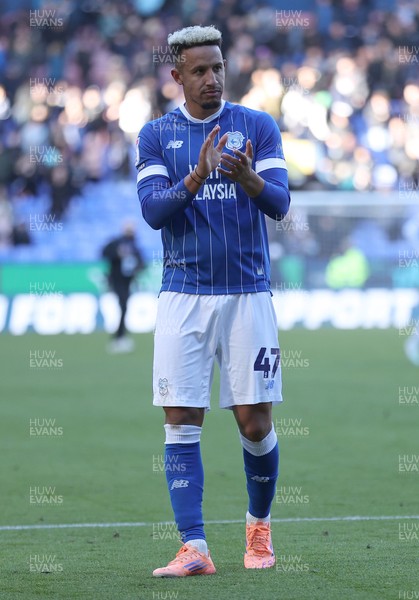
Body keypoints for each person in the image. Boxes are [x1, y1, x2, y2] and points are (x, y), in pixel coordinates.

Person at [136, 25, 290, 577]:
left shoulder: (257, 125)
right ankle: (195, 547)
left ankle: (259, 529)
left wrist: (246, 176)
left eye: (218, 67)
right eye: (199, 71)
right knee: (181, 419)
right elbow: (154, 212)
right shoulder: (156, 136)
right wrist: (199, 173)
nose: (212, 79)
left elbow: (278, 203)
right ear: (177, 76)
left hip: (247, 293)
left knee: (253, 421)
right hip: (183, 296)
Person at [102, 223, 144, 353]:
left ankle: (120, 337)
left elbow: (141, 262)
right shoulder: (116, 243)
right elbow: (104, 254)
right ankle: (119, 338)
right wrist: (117, 255)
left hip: (127, 282)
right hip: (117, 280)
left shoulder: (133, 246)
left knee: (124, 307)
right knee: (123, 306)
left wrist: (136, 271)